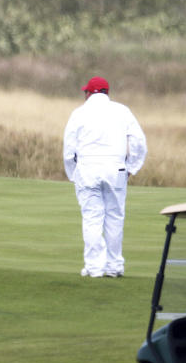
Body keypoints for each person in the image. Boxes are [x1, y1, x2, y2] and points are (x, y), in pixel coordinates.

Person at [62, 76, 147, 277]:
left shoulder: (79, 113)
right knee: (114, 218)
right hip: (115, 168)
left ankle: (94, 267)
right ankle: (114, 266)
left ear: (89, 93)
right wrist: (131, 167)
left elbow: (68, 148)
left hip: (87, 168)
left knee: (92, 217)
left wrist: (72, 172)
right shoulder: (122, 111)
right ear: (106, 92)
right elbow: (138, 141)